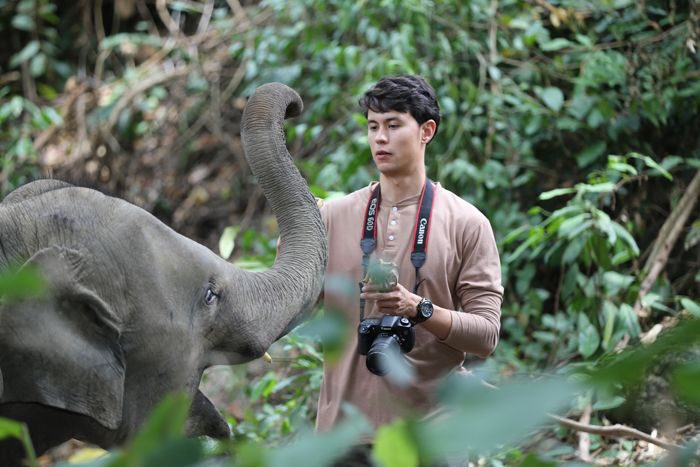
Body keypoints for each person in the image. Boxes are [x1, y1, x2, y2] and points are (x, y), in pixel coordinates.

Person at [316, 75, 503, 446]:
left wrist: (420, 309)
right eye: (372, 126)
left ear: (426, 131)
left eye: (393, 124)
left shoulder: (467, 223)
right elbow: (291, 307)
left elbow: (486, 335)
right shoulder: (332, 217)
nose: (380, 138)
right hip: (342, 438)